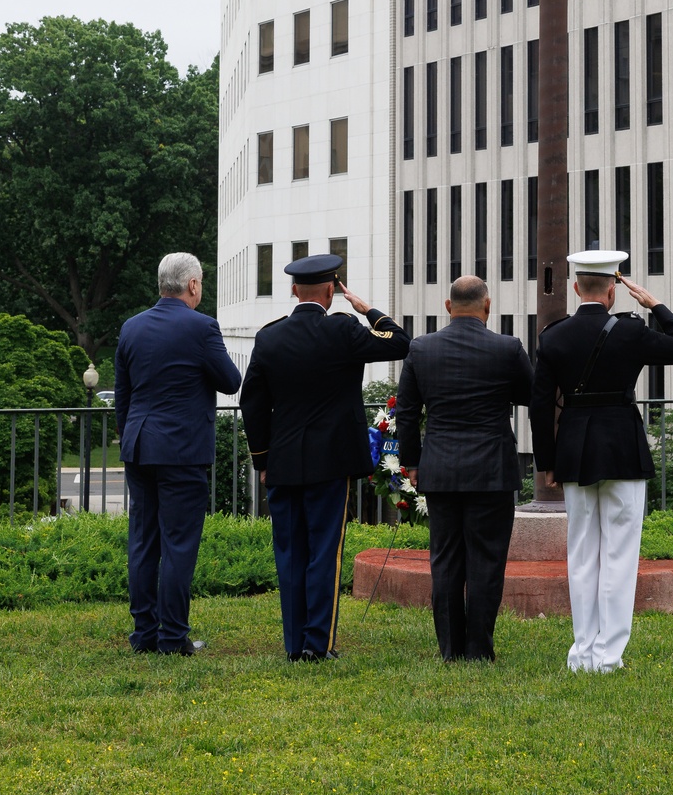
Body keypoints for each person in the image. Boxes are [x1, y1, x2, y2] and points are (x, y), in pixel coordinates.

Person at [530, 249, 673, 674]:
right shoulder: (630, 332)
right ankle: (608, 657)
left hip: (575, 451)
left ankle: (582, 652)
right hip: (622, 448)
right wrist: (655, 304)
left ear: (574, 289)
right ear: (612, 292)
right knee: (620, 555)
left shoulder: (553, 336)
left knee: (582, 553)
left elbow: (539, 406)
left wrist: (547, 462)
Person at [239, 253, 409, 662]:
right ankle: (318, 644)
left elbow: (252, 404)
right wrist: (368, 310)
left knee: (290, 553)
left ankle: (294, 645)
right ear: (332, 291)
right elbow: (400, 343)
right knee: (323, 553)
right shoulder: (343, 330)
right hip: (331, 464)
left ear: (293, 290)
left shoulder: (269, 337)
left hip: (282, 463)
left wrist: (262, 461)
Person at [395, 275, 534, 662]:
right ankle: (479, 651)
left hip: (439, 467)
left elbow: (406, 411)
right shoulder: (507, 349)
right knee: (487, 561)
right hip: (492, 469)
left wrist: (411, 462)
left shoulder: (422, 349)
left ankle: (450, 649)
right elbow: (531, 394)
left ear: (447, 306)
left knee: (445, 559)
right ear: (487, 306)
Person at [115, 252, 242, 655]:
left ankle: (143, 635)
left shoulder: (131, 328)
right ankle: (172, 637)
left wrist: (130, 435)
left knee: (143, 542)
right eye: (201, 282)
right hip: (182, 450)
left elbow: (123, 395)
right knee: (179, 545)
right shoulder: (202, 327)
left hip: (138, 445)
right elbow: (230, 380)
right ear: (192, 285)